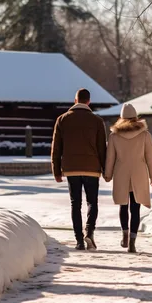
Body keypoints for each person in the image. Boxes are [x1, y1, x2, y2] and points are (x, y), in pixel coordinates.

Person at [51, 88, 107, 251]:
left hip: (71, 168)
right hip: (92, 168)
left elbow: (56, 148)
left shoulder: (62, 120)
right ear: (89, 101)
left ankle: (79, 241)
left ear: (75, 101)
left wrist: (56, 170)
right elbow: (102, 148)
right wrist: (105, 170)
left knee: (75, 204)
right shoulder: (97, 121)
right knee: (92, 202)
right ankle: (89, 231)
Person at [104, 103, 152, 253]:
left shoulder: (114, 136)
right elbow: (150, 157)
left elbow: (110, 158)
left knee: (123, 205)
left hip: (121, 172)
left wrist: (108, 174)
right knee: (136, 207)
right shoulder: (144, 135)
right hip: (139, 172)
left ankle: (125, 235)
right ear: (135, 117)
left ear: (121, 118)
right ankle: (133, 241)